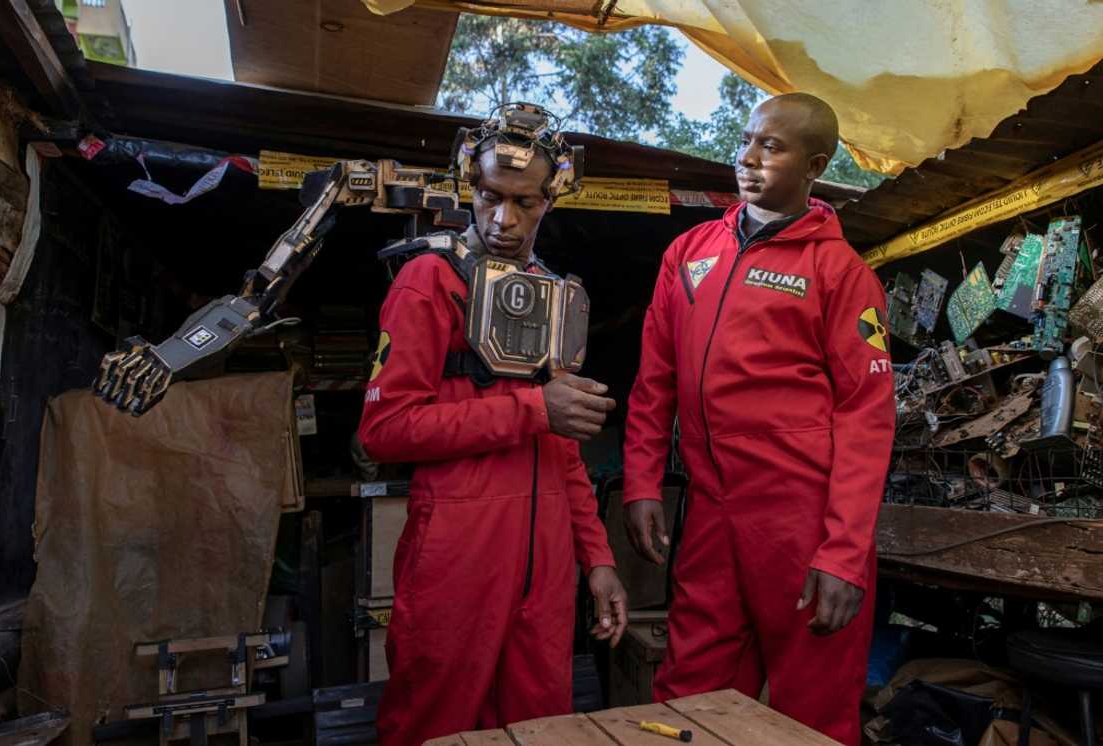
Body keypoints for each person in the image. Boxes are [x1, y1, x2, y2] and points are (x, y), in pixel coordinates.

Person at [622, 92, 895, 746]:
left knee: (812, 713)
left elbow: (867, 417)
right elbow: (654, 380)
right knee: (690, 700)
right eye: (746, 141)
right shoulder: (687, 253)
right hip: (712, 515)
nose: (747, 158)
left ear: (815, 164)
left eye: (771, 147)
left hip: (801, 524)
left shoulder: (842, 274)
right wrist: (640, 481)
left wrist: (844, 554)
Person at [359, 104, 628, 746]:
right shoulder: (430, 280)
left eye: (526, 203)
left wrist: (596, 558)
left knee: (541, 727)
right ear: (468, 187)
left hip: (546, 563)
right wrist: (533, 409)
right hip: (457, 550)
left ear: (551, 199)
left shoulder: (555, 296)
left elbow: (563, 451)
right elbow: (384, 431)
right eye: (490, 196)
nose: (504, 220)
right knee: (433, 724)